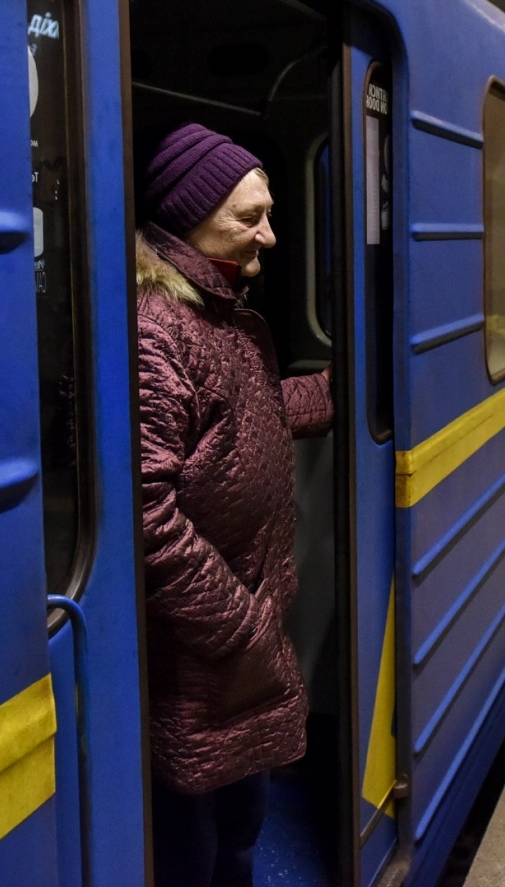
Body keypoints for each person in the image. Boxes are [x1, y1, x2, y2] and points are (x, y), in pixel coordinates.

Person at [132, 122, 333, 887]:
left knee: (237, 838)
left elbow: (246, 414)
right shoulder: (158, 330)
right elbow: (145, 514)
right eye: (251, 217)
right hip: (205, 657)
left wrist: (342, 393)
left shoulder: (213, 311)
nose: (271, 236)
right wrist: (243, 629)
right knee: (198, 849)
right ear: (190, 217)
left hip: (237, 652)